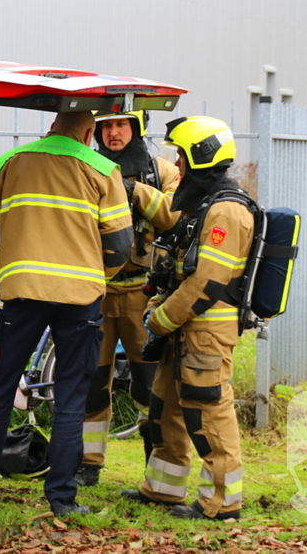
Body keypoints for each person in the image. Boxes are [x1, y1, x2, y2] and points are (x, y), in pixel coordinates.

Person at [0, 110, 133, 517]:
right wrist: (95, 275)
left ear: (51, 128)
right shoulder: (103, 169)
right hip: (80, 298)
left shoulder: (11, 163)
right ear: (87, 133)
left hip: (22, 293)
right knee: (70, 399)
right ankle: (62, 500)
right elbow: (119, 244)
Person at [121, 116, 251, 521]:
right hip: (185, 326)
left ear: (201, 156)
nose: (176, 165)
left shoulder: (227, 212)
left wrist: (160, 319)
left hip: (205, 330)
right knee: (167, 406)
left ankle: (222, 502)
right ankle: (162, 488)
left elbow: (206, 284)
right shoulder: (205, 206)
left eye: (181, 155)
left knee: (207, 411)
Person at [74, 109, 180, 487]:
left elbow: (174, 216)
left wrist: (134, 191)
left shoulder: (163, 172)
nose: (113, 133)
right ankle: (88, 463)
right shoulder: (85, 168)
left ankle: (156, 465)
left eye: (121, 126)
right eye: (105, 127)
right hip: (97, 292)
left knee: (148, 384)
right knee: (92, 382)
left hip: (142, 294)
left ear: (136, 129)